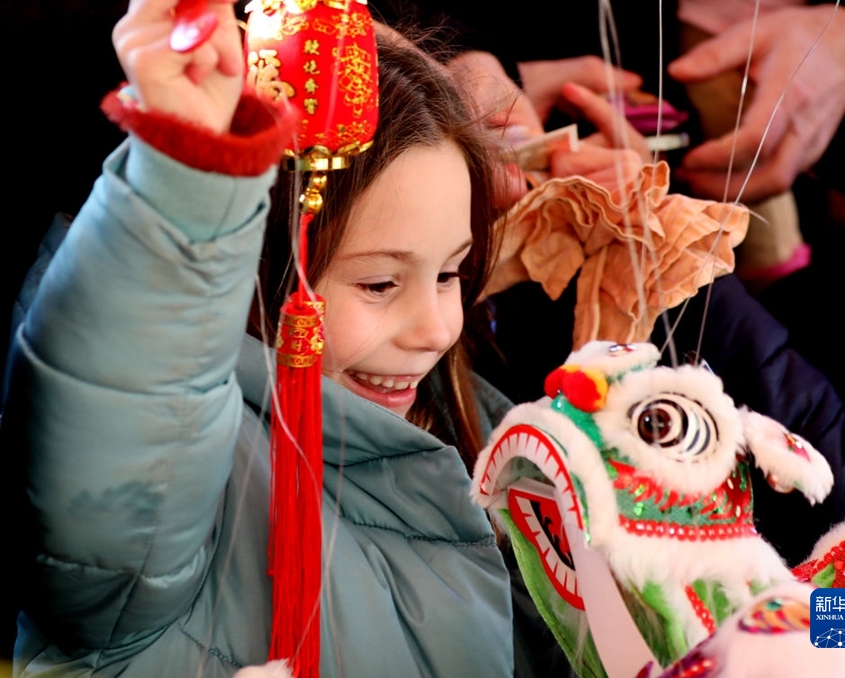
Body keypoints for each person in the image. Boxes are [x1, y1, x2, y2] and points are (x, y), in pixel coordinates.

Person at [2, 1, 521, 675]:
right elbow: (135, 397)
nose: (437, 329)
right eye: (379, 284)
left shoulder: (485, 434)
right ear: (256, 264)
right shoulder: (184, 485)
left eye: (450, 272)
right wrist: (186, 184)